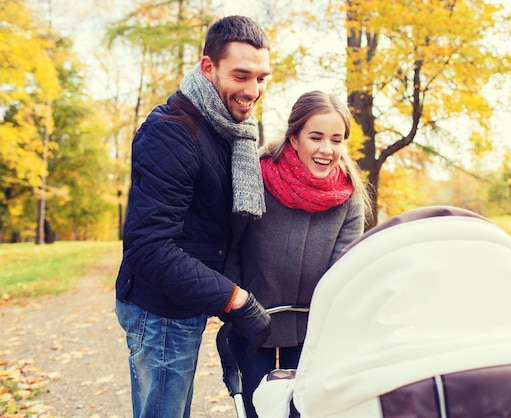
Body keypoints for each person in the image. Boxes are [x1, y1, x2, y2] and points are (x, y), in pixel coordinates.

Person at [114, 15, 273, 418]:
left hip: (183, 303)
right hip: (160, 310)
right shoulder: (173, 132)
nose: (253, 90)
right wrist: (233, 299)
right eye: (241, 76)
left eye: (261, 78)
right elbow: (148, 247)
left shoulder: (226, 128)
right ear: (208, 68)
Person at [224, 90, 372, 417]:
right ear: (294, 138)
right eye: (316, 137)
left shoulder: (347, 195)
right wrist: (236, 301)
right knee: (255, 408)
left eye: (336, 140)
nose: (326, 149)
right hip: (253, 316)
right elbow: (231, 247)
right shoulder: (258, 178)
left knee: (303, 409)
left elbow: (343, 269)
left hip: (311, 325)